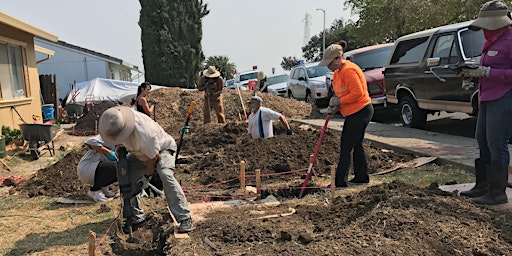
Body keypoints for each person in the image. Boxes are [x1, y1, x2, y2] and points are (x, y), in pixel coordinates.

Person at [98, 106, 194, 233]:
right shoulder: (115, 121)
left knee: (165, 173)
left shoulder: (144, 133)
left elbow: (154, 157)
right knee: (125, 176)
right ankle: (136, 216)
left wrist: (146, 178)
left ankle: (184, 218)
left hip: (162, 149)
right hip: (140, 153)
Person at [459, 0, 512, 205]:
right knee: (482, 140)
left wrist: (489, 72)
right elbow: (488, 65)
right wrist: (473, 73)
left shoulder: (509, 39)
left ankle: (497, 192)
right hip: (486, 97)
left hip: (504, 97)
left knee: (496, 144)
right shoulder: (491, 40)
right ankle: (483, 185)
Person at [319, 41, 374, 188]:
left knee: (346, 146)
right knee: (356, 145)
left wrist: (340, 101)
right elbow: (341, 95)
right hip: (353, 112)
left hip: (361, 111)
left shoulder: (349, 70)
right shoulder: (337, 73)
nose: (328, 66)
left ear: (338, 58)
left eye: (329, 63)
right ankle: (362, 177)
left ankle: (339, 182)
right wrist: (335, 107)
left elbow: (357, 93)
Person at [77, 135, 118, 202]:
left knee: (122, 167)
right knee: (115, 166)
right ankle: (94, 191)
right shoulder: (108, 136)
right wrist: (109, 153)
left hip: (99, 170)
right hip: (87, 168)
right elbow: (91, 141)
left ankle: (103, 187)